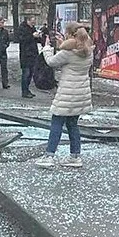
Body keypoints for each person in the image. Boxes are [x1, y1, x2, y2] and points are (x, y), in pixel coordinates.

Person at [35, 22, 93, 168]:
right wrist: (63, 44)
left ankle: (49, 156)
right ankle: (75, 156)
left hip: (67, 93)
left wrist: (46, 48)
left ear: (70, 34)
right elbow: (74, 51)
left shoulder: (68, 53)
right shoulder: (88, 50)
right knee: (73, 124)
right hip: (81, 93)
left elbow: (51, 62)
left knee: (56, 123)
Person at [17, 16, 42, 98]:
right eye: (32, 21)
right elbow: (22, 40)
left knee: (30, 73)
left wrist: (39, 37)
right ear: (28, 21)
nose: (33, 23)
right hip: (25, 55)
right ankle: (24, 91)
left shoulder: (32, 28)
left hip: (33, 54)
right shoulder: (22, 28)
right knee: (26, 73)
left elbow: (35, 40)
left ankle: (27, 90)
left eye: (34, 21)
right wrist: (32, 36)